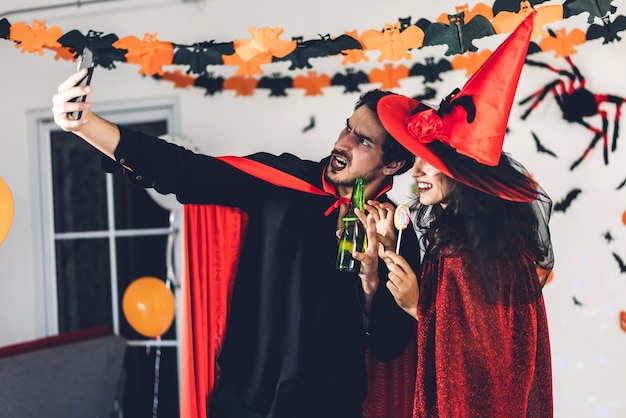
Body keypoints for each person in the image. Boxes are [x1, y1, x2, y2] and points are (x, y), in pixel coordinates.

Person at [51, 75, 420, 417]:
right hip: (248, 397)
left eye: (364, 141)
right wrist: (85, 125)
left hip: (329, 406)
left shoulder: (395, 233)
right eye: (348, 128)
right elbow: (185, 171)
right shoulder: (283, 181)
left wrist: (371, 276)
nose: (343, 143)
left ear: (393, 164)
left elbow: (389, 344)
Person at [356, 12, 555, 417]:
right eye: (420, 159)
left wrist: (417, 306)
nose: (417, 171)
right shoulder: (474, 241)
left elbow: (489, 378)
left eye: (431, 163)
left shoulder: (474, 255)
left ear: (462, 174)